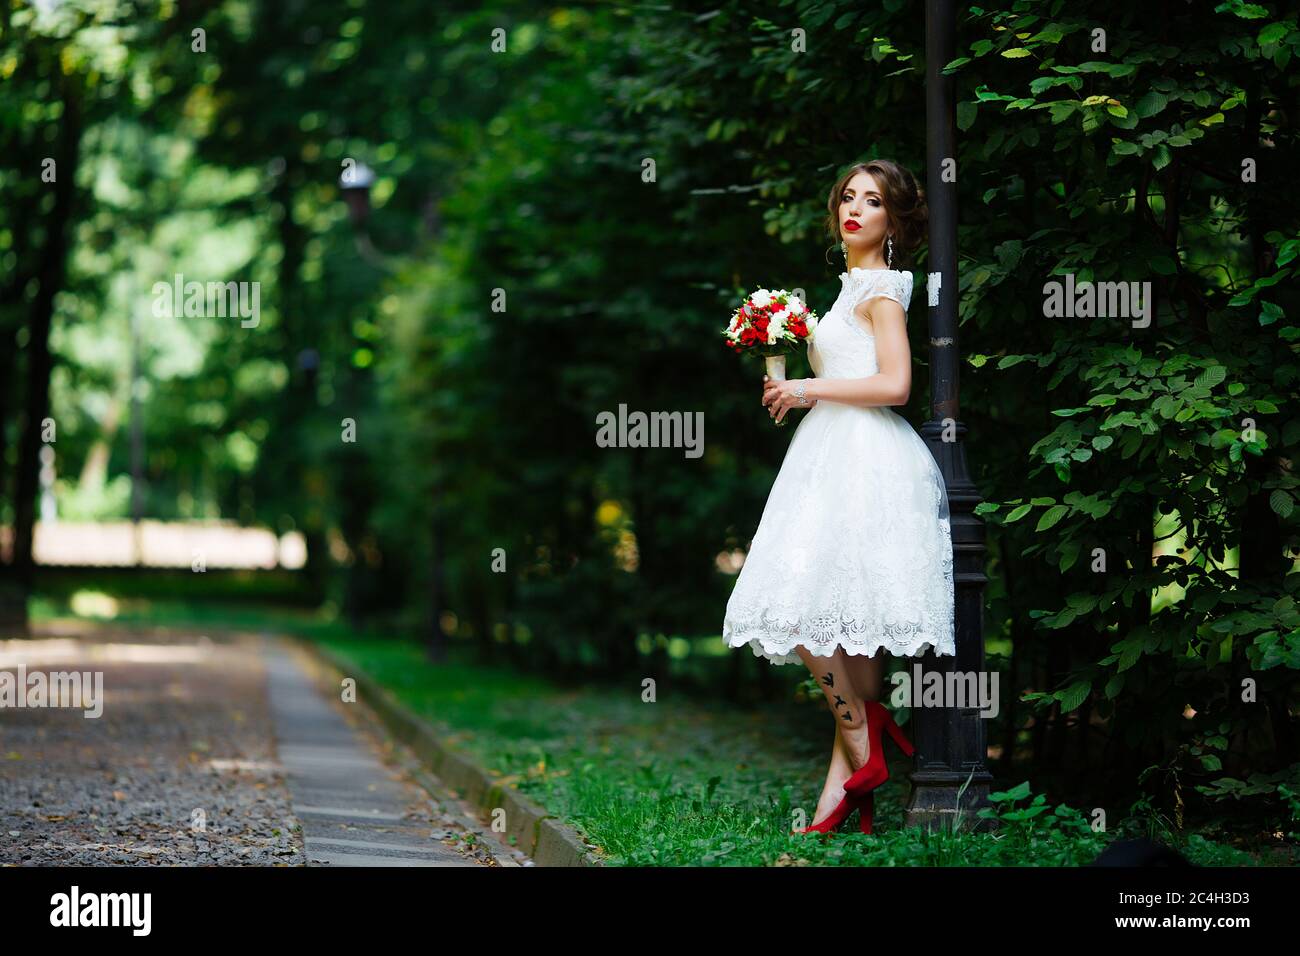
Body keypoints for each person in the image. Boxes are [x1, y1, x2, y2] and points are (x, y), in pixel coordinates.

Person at [721, 159, 956, 834]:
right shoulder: (850, 284)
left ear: (894, 219)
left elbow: (895, 385)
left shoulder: (881, 288)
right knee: (848, 630)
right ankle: (846, 798)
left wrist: (807, 389)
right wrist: (794, 381)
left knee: (793, 606)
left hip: (864, 457)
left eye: (872, 200)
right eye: (848, 197)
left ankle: (862, 730)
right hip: (831, 451)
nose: (855, 208)